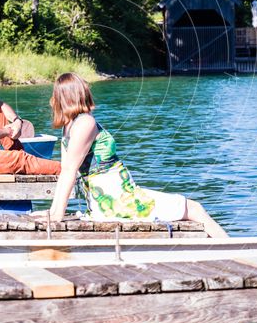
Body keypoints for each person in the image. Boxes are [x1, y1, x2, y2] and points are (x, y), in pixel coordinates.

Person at [42, 72, 227, 238]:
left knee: (186, 211)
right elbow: (68, 171)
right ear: (77, 94)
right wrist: (57, 214)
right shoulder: (85, 123)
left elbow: (66, 171)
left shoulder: (70, 126)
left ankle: (218, 251)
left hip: (111, 202)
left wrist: (55, 211)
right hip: (121, 202)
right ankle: (234, 252)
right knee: (194, 208)